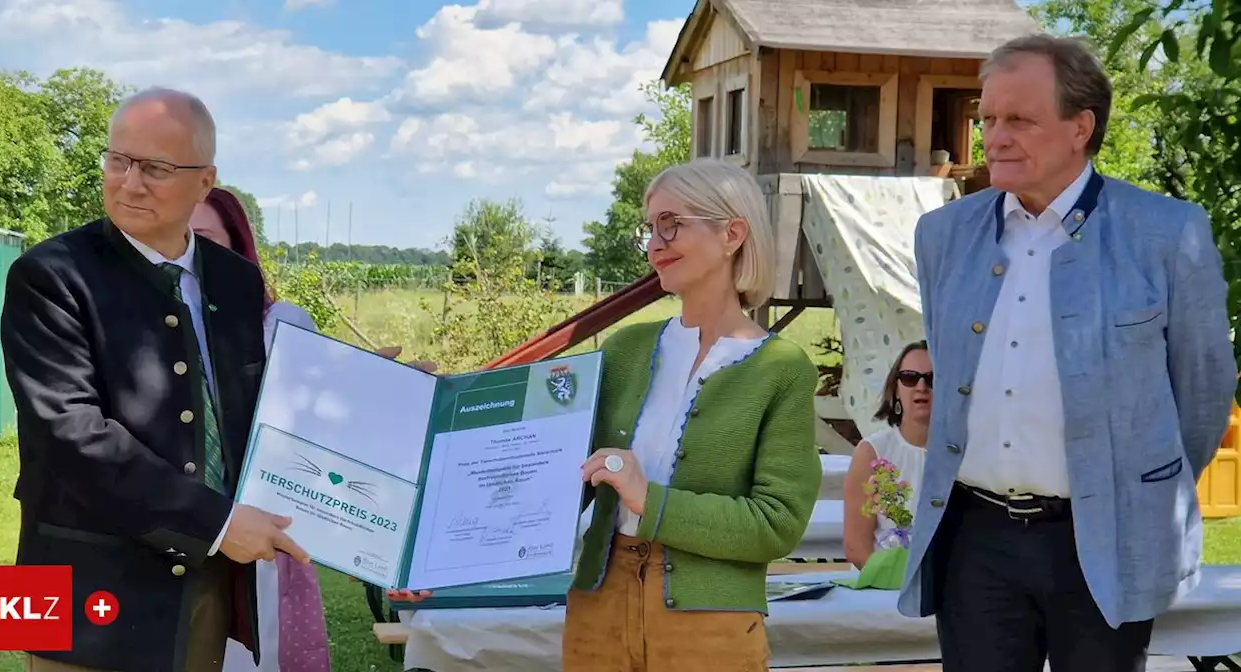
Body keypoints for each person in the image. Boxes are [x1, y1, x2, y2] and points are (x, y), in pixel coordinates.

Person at [390, 159, 822, 669]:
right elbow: (553, 479)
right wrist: (441, 561)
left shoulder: (782, 369)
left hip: (713, 621)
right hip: (599, 604)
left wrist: (647, 499)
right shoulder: (624, 350)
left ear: (732, 233)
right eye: (650, 227)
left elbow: (776, 524)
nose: (654, 244)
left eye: (671, 223)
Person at [899, 34, 1236, 672]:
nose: (994, 136)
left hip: (1105, 538)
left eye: (1019, 119)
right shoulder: (942, 234)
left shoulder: (1167, 233)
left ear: (1080, 126)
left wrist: (1140, 490)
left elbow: (1201, 395)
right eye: (988, 118)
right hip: (976, 539)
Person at [0, 88, 309, 672]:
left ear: (205, 182)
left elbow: (256, 408)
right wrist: (216, 525)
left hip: (200, 578)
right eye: (118, 160)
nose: (129, 182)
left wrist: (377, 403)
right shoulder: (46, 274)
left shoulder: (235, 281)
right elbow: (69, 433)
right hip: (75, 582)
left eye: (157, 168)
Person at [191, 188, 331, 672]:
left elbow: (323, 413)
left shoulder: (281, 324)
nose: (188, 248)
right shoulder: (150, 329)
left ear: (237, 245)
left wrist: (376, 389)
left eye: (204, 236)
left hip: (261, 518)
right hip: (181, 520)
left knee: (258, 650)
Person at [842, 341, 929, 569]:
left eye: (932, 378)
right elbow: (857, 548)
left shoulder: (963, 453)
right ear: (896, 389)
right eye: (910, 377)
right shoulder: (872, 453)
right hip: (882, 584)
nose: (921, 386)